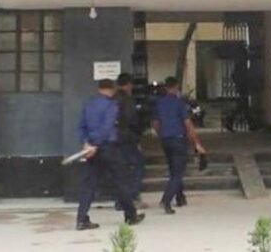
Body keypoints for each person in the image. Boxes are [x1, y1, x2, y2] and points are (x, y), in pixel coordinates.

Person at [76, 79, 145, 230]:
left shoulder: (89, 104)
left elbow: (81, 126)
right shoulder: (111, 105)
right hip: (108, 147)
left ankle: (81, 218)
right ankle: (130, 215)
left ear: (99, 88)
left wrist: (86, 144)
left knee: (89, 184)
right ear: (112, 89)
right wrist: (96, 144)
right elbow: (107, 128)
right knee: (121, 181)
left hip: (91, 149)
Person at [152, 76, 206, 214]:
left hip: (166, 140)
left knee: (173, 169)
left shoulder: (159, 103)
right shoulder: (179, 104)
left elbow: (155, 123)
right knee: (178, 173)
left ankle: (180, 197)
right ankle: (166, 200)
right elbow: (188, 125)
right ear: (176, 87)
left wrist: (161, 134)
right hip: (178, 139)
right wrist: (196, 143)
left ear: (165, 87)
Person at [114, 73, 147, 209]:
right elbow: (132, 120)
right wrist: (137, 136)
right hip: (127, 138)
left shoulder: (112, 99)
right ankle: (132, 196)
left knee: (121, 169)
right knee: (138, 164)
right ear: (128, 85)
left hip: (113, 138)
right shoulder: (127, 100)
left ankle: (120, 200)